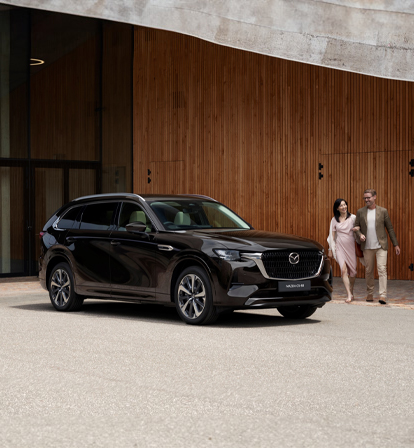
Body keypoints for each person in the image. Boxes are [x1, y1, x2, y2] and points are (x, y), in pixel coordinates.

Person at [354, 189, 400, 304]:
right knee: (369, 271)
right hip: (367, 246)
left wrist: (396, 244)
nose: (366, 200)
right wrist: (360, 235)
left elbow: (389, 228)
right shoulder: (360, 212)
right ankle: (370, 293)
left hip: (381, 245)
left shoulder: (383, 211)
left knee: (382, 269)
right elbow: (356, 227)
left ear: (375, 197)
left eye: (368, 197)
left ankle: (382, 295)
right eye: (365, 198)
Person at [327, 198, 358, 303]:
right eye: (341, 205)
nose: (344, 207)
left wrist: (359, 232)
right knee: (343, 270)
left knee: (353, 272)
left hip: (351, 247)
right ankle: (349, 294)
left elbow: (360, 230)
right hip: (339, 247)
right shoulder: (334, 220)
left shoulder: (353, 218)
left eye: (345, 205)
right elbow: (332, 236)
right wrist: (330, 249)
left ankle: (351, 290)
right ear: (337, 208)